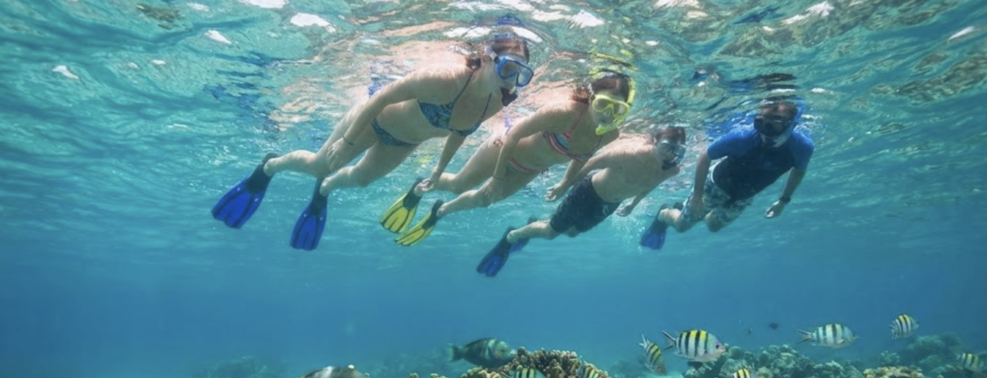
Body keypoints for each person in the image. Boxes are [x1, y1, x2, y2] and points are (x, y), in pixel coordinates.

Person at [210, 33, 533, 250]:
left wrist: (438, 171)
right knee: (321, 164)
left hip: (403, 143)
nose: (511, 81)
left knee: (361, 180)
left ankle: (323, 192)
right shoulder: (444, 79)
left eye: (520, 75)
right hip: (372, 121)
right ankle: (270, 165)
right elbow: (380, 98)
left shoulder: (493, 103)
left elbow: (459, 135)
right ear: (488, 59)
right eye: (507, 68)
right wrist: (348, 142)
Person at [381, 71, 636, 246]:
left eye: (618, 109)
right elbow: (514, 134)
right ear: (591, 98)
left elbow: (581, 157)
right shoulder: (565, 113)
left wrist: (565, 183)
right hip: (504, 147)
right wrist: (497, 176)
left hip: (530, 168)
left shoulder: (610, 135)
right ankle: (419, 188)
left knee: (484, 200)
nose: (608, 114)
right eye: (604, 104)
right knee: (461, 184)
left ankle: (440, 211)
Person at [475, 126, 687, 277]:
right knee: (550, 233)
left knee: (572, 232)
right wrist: (565, 184)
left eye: (678, 151)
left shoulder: (671, 169)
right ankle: (512, 236)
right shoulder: (628, 154)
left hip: (609, 205)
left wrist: (632, 204)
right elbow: (591, 162)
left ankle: (538, 223)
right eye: (667, 147)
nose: (671, 154)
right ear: (655, 142)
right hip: (589, 191)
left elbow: (650, 184)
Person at [639, 100, 813, 250]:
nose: (765, 133)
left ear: (792, 125)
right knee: (682, 226)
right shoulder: (742, 137)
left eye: (774, 126)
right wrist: (697, 196)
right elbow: (705, 156)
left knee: (713, 226)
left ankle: (690, 210)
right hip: (714, 186)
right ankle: (664, 213)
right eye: (760, 124)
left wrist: (783, 201)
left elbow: (798, 171)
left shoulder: (802, 147)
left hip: (742, 197)